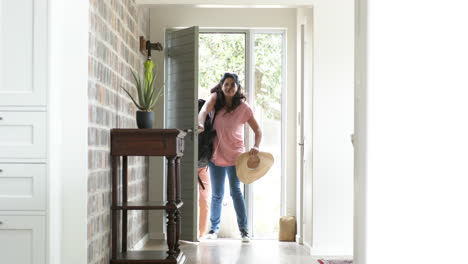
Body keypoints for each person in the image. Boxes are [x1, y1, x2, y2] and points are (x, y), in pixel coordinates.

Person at [198, 72, 262, 243]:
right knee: (217, 195)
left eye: (232, 85)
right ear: (221, 85)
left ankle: (244, 231)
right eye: (226, 84)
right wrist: (199, 122)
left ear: (237, 87)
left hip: (236, 158)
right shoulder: (215, 100)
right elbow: (204, 110)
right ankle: (213, 229)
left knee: (236, 193)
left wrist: (256, 146)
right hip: (216, 156)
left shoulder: (244, 108)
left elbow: (258, 130)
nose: (229, 87)